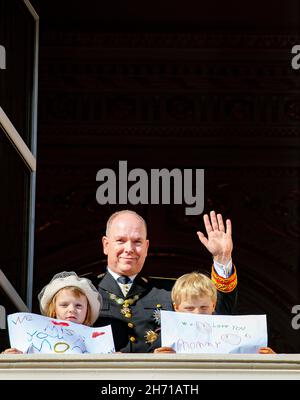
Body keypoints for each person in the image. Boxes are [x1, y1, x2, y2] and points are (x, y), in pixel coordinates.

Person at [93, 209, 238, 352]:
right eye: (120, 241)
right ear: (106, 245)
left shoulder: (171, 291)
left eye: (137, 242)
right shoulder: (86, 289)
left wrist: (222, 258)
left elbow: (217, 314)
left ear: (146, 247)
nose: (129, 248)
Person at [154, 271, 275, 354]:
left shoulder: (231, 331)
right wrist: (155, 359)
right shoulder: (164, 338)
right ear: (176, 307)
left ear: (213, 305)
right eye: (189, 308)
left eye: (203, 307)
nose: (197, 314)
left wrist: (271, 361)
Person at [2, 271, 102, 354]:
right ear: (54, 310)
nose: (71, 310)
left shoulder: (97, 343)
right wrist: (15, 356)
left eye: (78, 305)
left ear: (87, 311)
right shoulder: (37, 337)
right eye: (64, 305)